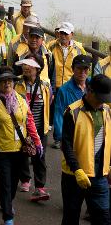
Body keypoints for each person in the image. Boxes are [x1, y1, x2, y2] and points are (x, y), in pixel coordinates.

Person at [0, 66, 43, 225]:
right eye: (3, 81)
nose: (7, 84)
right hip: (1, 150)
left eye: (9, 80)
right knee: (6, 181)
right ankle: (8, 216)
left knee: (13, 182)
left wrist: (37, 141)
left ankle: (5, 202)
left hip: (20, 150)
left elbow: (29, 122)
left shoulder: (22, 99)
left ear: (14, 82)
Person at [61, 74, 111, 225]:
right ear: (89, 91)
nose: (101, 103)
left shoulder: (107, 110)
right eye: (99, 98)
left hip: (100, 174)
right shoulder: (72, 112)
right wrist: (76, 169)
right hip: (74, 176)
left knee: (103, 217)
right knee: (71, 216)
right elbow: (66, 145)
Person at [15, 54, 51, 201]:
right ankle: (25, 179)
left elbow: (49, 102)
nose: (26, 67)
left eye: (30, 64)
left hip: (40, 127)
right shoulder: (17, 83)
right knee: (22, 154)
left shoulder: (45, 84)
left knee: (39, 157)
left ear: (38, 68)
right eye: (24, 64)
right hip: (22, 127)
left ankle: (40, 187)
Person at [53, 54, 92, 149]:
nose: (82, 72)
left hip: (91, 133)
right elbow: (59, 114)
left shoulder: (93, 85)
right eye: (79, 68)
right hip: (72, 134)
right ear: (72, 69)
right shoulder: (64, 90)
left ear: (89, 70)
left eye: (85, 69)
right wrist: (61, 136)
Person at [49, 22, 86, 90]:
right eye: (61, 33)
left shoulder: (78, 48)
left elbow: (85, 66)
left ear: (72, 34)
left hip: (71, 87)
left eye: (66, 34)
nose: (63, 36)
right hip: (53, 86)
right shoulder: (50, 46)